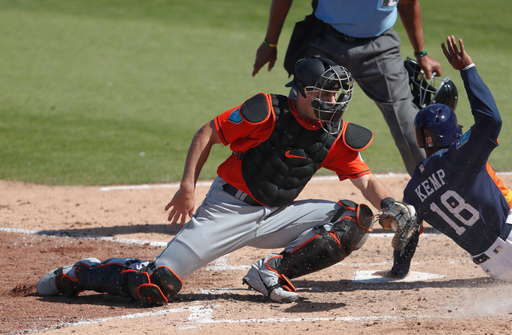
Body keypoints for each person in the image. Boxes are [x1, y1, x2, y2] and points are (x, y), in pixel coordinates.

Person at [36, 56, 414, 305]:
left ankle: (272, 271)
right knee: (156, 285)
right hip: (228, 209)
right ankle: (80, 272)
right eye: (323, 94)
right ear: (299, 92)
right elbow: (209, 132)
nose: (332, 101)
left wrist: (391, 207)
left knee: (354, 219)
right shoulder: (266, 112)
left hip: (276, 216)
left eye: (336, 95)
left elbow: (364, 179)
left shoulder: (333, 135)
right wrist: (187, 187)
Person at [252, 0, 442, 176]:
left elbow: (408, 4)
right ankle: (273, 184)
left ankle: (431, 188)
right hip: (325, 40)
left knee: (406, 117)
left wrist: (421, 53)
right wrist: (270, 42)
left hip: (381, 46)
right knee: (301, 113)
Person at [377, 35, 512, 280]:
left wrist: (399, 270)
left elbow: (408, 233)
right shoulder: (461, 157)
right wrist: (468, 70)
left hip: (497, 269)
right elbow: (491, 120)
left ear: (420, 138)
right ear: (454, 132)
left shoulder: (413, 191)